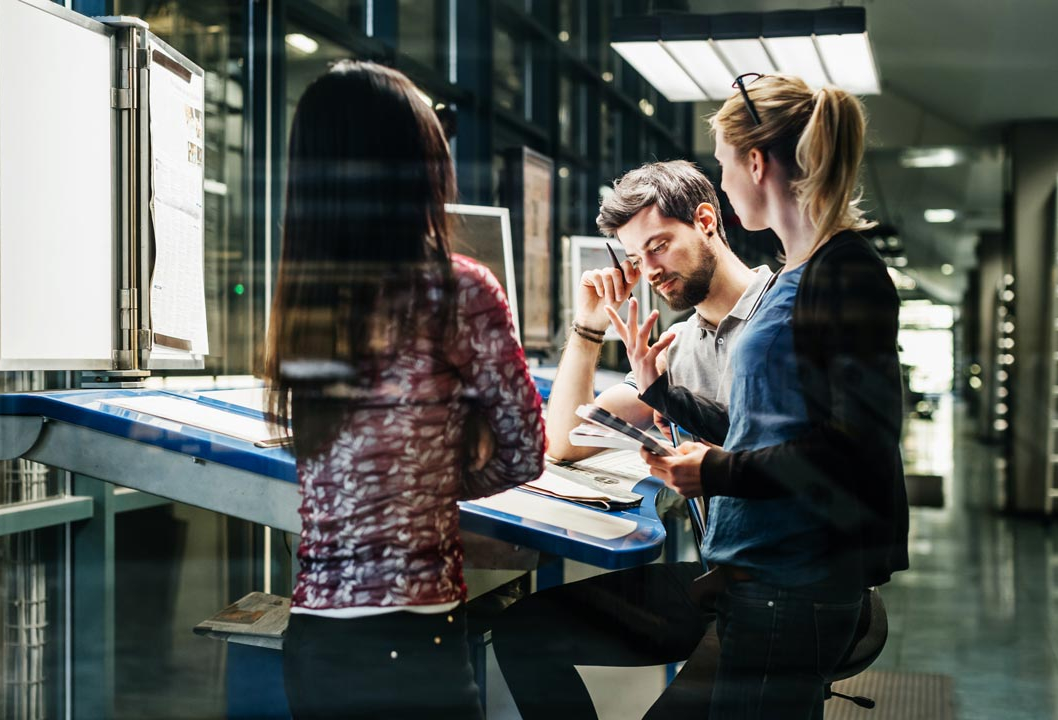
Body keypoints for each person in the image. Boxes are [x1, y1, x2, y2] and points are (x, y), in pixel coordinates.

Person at [611, 73, 910, 719]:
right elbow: (762, 425)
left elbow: (853, 454)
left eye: (723, 164)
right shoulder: (798, 274)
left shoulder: (845, 270)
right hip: (765, 580)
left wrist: (714, 469)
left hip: (796, 585)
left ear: (755, 162)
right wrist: (661, 392)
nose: (721, 181)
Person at [264, 60, 546, 720]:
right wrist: (432, 482)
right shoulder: (456, 290)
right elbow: (525, 453)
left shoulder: (303, 301)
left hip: (314, 641)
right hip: (412, 640)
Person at [492, 159, 772, 720]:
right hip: (720, 585)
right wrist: (590, 323)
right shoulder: (678, 345)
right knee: (526, 631)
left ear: (707, 221)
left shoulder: (780, 317)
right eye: (638, 257)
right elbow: (567, 440)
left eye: (661, 246)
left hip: (783, 593)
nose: (651, 270)